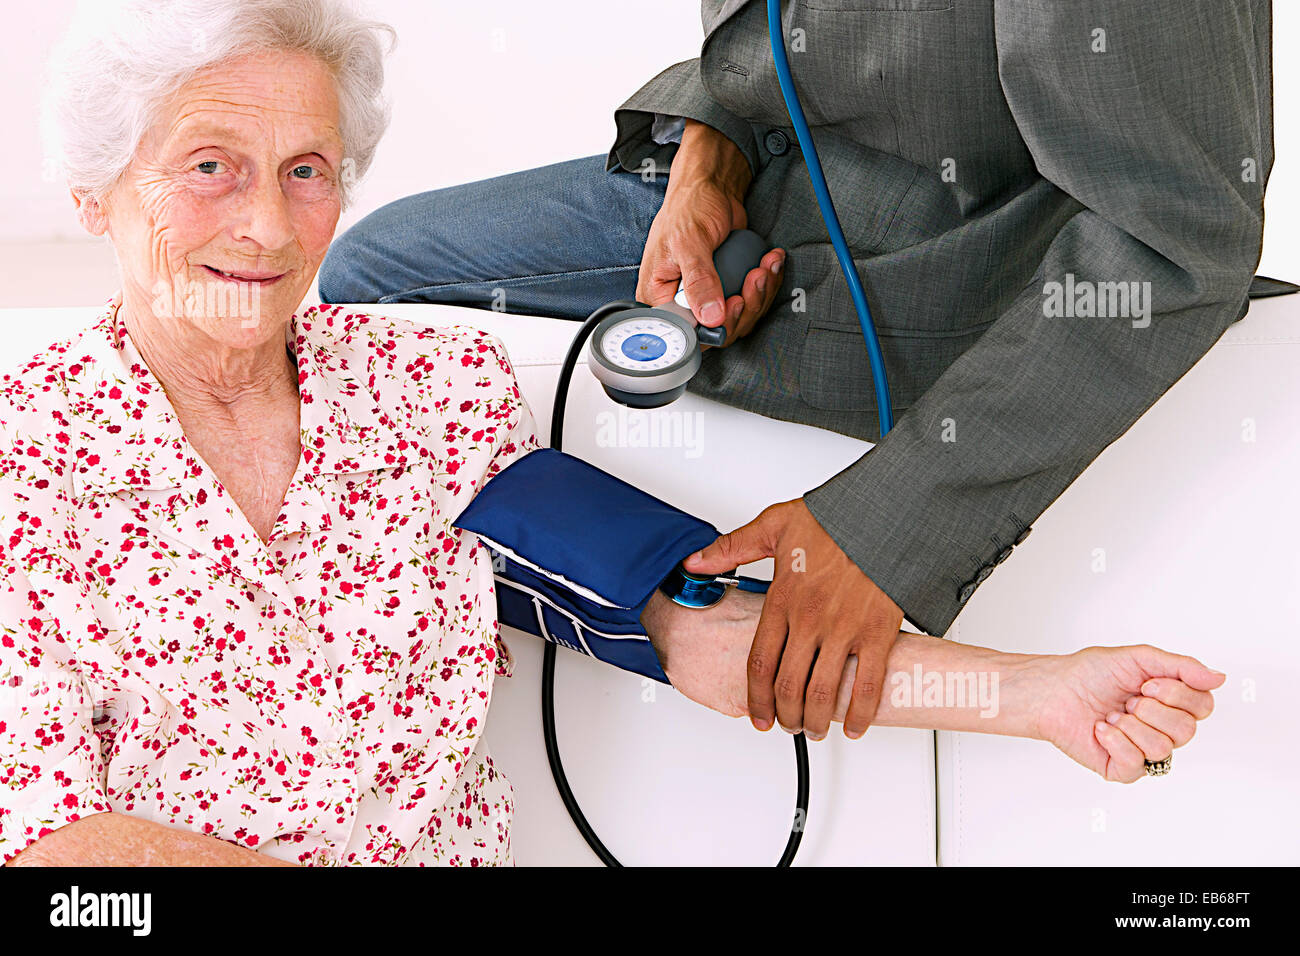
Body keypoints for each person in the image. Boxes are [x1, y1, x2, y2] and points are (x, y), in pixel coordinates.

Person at [1, 0, 1224, 868]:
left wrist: (1037, 694)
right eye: (209, 164)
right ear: (94, 187)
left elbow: (691, 625)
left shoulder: (425, 392)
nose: (267, 225)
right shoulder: (27, 455)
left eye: (308, 168)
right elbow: (57, 865)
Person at [320, 0, 1271, 747]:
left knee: (364, 312)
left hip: (947, 253)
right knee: (363, 289)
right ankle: (676, 620)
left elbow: (1173, 237)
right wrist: (706, 165)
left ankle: (700, 624)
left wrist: (880, 532)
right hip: (771, 182)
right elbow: (761, 51)